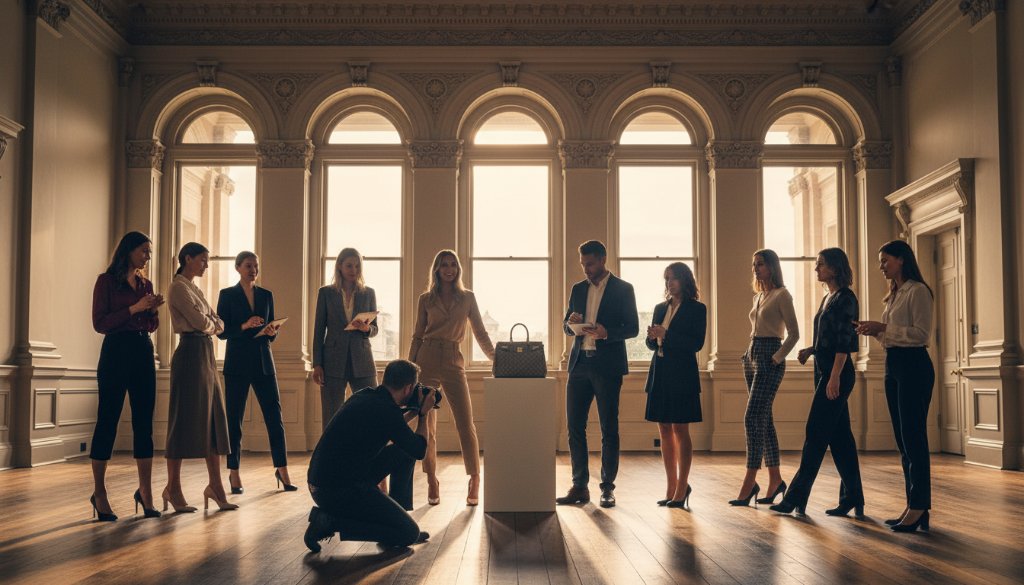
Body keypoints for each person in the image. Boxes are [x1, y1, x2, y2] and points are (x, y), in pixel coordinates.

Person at [770, 247, 864, 518]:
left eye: (821, 264)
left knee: (815, 434)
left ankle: (795, 497)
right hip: (823, 371)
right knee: (841, 439)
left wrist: (833, 377)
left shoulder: (846, 298)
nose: (816, 269)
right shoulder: (828, 298)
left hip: (836, 374)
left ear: (834, 268)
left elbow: (845, 342)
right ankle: (853, 498)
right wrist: (812, 349)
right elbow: (830, 337)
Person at [303, 359, 433, 553]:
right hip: (336, 491)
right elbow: (420, 450)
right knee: (408, 534)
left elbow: (392, 429)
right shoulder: (387, 411)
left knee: (402, 451)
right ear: (408, 389)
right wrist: (424, 415)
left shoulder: (365, 396)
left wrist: (413, 413)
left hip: (321, 482)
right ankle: (331, 522)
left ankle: (398, 513)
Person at [855, 240, 935, 533]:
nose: (881, 266)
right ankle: (914, 505)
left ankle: (919, 506)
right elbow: (893, 337)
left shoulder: (919, 291)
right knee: (903, 440)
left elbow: (921, 334)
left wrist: (883, 328)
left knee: (914, 438)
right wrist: (874, 331)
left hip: (914, 366)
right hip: (894, 365)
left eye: (885, 260)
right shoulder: (893, 295)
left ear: (901, 260)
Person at [556, 240, 639, 508]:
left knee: (608, 428)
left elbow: (633, 328)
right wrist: (571, 325)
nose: (586, 270)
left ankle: (607, 488)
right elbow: (567, 326)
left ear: (603, 260)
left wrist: (607, 333)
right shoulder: (578, 289)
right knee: (574, 428)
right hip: (579, 364)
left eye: (589, 264)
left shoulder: (624, 289)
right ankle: (580, 486)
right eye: (583, 265)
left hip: (607, 366)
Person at [409, 250, 495, 506]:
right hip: (426, 359)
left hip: (453, 359)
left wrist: (497, 359)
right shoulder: (426, 299)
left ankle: (475, 477)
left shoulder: (467, 298)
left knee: (465, 423)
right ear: (436, 269)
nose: (449, 269)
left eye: (453, 265)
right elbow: (417, 335)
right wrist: (410, 367)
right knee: (427, 425)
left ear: (458, 269)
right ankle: (432, 479)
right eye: (444, 265)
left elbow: (479, 331)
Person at [89, 231, 164, 521]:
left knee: (144, 423)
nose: (148, 256)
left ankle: (145, 492)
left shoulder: (146, 284)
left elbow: (151, 325)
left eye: (149, 251)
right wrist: (135, 308)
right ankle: (100, 493)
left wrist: (152, 310)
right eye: (144, 250)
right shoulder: (106, 281)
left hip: (143, 350)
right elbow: (100, 322)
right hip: (115, 352)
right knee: (107, 419)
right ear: (129, 251)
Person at [163, 242, 238, 513]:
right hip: (190, 354)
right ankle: (172, 488)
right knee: (182, 422)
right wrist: (212, 323)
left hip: (205, 354)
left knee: (214, 421)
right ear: (188, 258)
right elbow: (203, 323)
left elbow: (219, 322)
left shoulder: (195, 288)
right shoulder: (177, 287)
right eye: (203, 260)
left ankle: (216, 487)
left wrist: (212, 323)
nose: (206, 265)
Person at [216, 251, 295, 495]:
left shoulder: (266, 295)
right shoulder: (227, 295)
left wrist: (272, 331)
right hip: (237, 364)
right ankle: (234, 472)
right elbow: (221, 331)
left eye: (256, 266)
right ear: (238, 267)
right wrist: (244, 325)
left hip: (263, 361)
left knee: (275, 418)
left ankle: (282, 470)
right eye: (249, 266)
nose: (253, 270)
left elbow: (271, 329)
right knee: (234, 420)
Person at [731, 249, 799, 507]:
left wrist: (777, 358)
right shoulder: (759, 295)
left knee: (751, 417)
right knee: (764, 419)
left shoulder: (783, 295)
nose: (755, 268)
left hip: (770, 355)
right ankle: (775, 480)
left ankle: (750, 481)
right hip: (751, 354)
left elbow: (794, 333)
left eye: (760, 264)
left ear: (772, 266)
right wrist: (749, 356)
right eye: (753, 264)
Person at [644, 262, 706, 508]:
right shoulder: (660, 307)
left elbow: (696, 344)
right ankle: (671, 486)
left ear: (684, 280)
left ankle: (683, 486)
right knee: (664, 429)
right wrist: (653, 337)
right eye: (666, 279)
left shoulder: (697, 309)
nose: (669, 283)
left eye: (673, 278)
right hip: (660, 372)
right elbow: (652, 345)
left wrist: (665, 335)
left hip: (682, 374)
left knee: (681, 430)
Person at [312, 248, 379, 430]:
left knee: (372, 410)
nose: (353, 270)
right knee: (331, 415)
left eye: (357, 266)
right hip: (332, 361)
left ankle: (371, 454)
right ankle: (331, 456)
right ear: (340, 266)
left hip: (363, 360)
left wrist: (366, 328)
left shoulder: (368, 293)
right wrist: (317, 364)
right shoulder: (325, 293)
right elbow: (318, 331)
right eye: (349, 265)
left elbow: (375, 330)